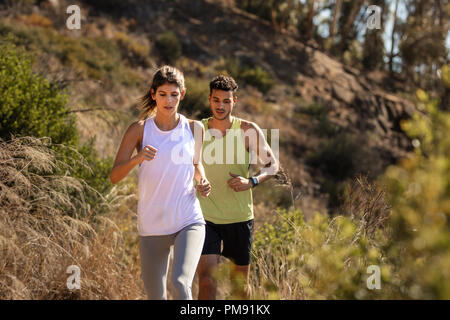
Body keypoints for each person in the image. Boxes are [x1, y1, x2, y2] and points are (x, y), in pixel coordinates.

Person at [110, 65, 211, 300]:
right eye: (163, 94)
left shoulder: (195, 128)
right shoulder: (139, 130)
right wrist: (138, 158)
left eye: (174, 95)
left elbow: (196, 164)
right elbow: (114, 176)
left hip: (187, 219)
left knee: (180, 284)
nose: (169, 101)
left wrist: (202, 180)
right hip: (152, 224)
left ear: (182, 95)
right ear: (153, 93)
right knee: (156, 297)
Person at [196, 75, 279, 299]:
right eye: (216, 100)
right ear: (209, 99)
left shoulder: (247, 130)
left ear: (235, 101)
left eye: (226, 101)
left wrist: (251, 181)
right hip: (205, 217)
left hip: (239, 217)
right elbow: (187, 165)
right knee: (205, 280)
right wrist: (197, 180)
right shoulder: (197, 130)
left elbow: (273, 166)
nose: (220, 105)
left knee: (239, 288)